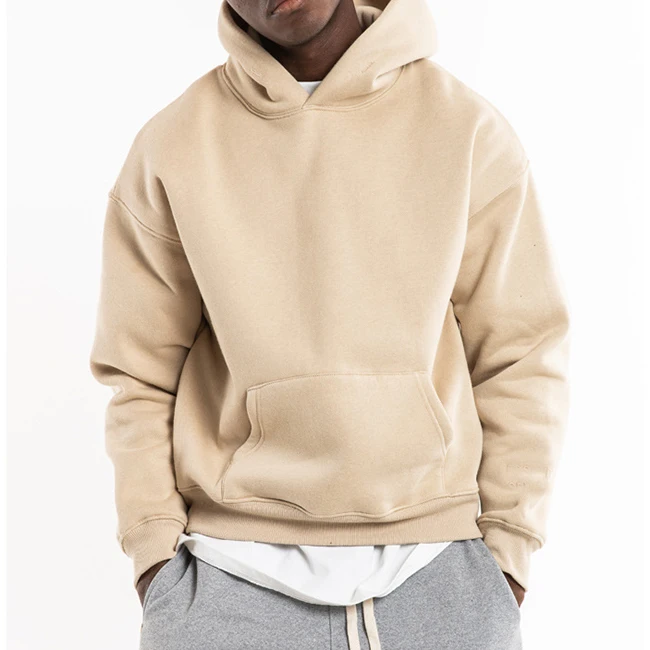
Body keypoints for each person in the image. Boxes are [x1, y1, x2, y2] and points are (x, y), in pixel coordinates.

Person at [89, 0, 571, 648]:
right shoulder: (172, 147)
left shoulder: (466, 131)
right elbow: (139, 374)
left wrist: (507, 556)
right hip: (228, 578)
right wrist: (155, 560)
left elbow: (522, 351)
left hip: (438, 572)